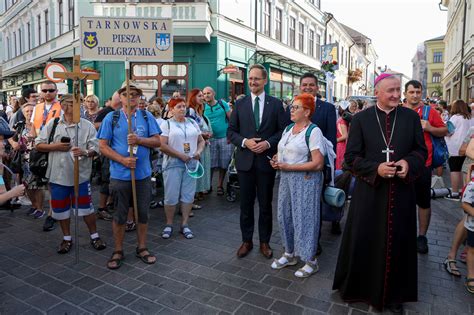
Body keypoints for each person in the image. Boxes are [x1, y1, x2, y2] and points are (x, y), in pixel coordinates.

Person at [333, 74, 427, 312]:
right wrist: (376, 168)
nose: (396, 95)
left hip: (401, 193)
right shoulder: (362, 119)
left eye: (398, 90)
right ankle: (360, 289)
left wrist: (407, 163)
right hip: (370, 193)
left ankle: (395, 296)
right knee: (366, 239)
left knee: (399, 242)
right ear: (377, 93)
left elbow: (420, 151)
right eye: (391, 91)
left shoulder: (410, 118)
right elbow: (351, 158)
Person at [97, 82, 161, 270]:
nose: (131, 97)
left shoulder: (146, 116)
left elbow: (157, 141)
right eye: (127, 94)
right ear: (121, 98)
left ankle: (142, 247)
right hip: (119, 175)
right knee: (120, 215)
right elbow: (102, 146)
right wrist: (122, 160)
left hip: (142, 175)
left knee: (143, 213)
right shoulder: (112, 117)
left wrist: (139, 140)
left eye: (135, 94)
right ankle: (118, 249)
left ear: (140, 97)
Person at [227, 64, 287, 259]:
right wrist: (245, 142)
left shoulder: (276, 104)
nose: (252, 82)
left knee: (265, 205)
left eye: (257, 79)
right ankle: (246, 241)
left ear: (265, 81)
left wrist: (269, 143)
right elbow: (231, 132)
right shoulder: (240, 104)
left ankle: (264, 242)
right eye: (250, 79)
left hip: (265, 163)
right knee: (245, 205)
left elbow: (283, 132)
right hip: (245, 163)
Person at [270, 93, 332, 277]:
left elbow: (318, 163)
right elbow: (284, 151)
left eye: (296, 107)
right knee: (284, 216)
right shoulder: (288, 128)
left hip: (305, 180)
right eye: (292, 106)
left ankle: (310, 260)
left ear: (307, 111)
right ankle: (290, 253)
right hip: (286, 178)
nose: (292, 109)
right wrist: (276, 159)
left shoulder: (313, 131)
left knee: (304, 218)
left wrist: (289, 166)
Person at [35, 94, 106, 254]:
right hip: (57, 176)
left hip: (80, 176)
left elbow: (96, 149)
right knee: (60, 210)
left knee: (87, 209)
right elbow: (38, 144)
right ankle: (66, 238)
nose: (72, 108)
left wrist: (85, 152)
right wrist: (56, 146)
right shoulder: (53, 124)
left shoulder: (87, 126)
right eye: (68, 104)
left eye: (75, 104)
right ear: (62, 105)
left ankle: (94, 235)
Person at [403, 80, 448, 254]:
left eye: (418, 92)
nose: (415, 95)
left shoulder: (430, 111)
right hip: (403, 165)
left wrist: (429, 127)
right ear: (405, 94)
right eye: (411, 92)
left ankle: (422, 236)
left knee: (423, 202)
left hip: (424, 164)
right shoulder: (399, 111)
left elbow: (444, 130)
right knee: (403, 202)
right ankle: (404, 234)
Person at [298, 72, 338, 239]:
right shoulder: (294, 107)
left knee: (315, 203)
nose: (308, 87)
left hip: (317, 164)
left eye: (311, 84)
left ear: (317, 87)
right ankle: (301, 234)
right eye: (304, 84)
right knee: (300, 202)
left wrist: (327, 165)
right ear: (300, 87)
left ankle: (315, 238)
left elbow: (330, 140)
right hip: (297, 164)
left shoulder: (327, 108)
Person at [159, 97, 205, 239]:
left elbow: (201, 141)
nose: (182, 109)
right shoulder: (166, 124)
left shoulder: (192, 122)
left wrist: (198, 152)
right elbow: (162, 145)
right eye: (178, 106)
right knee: (171, 196)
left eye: (184, 106)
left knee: (188, 195)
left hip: (191, 163)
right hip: (173, 163)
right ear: (171, 110)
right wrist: (179, 155)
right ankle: (169, 224)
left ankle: (184, 224)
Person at [31, 81, 62, 232]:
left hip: (55, 149)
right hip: (39, 149)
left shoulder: (62, 107)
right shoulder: (37, 108)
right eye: (45, 90)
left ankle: (52, 214)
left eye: (51, 90)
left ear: (56, 92)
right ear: (41, 93)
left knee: (53, 182)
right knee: (41, 182)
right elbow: (32, 128)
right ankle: (48, 209)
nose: (48, 93)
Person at [8, 103, 44, 218]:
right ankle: (33, 206)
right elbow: (9, 135)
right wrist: (13, 143)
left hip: (37, 159)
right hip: (23, 160)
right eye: (27, 111)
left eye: (31, 111)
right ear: (23, 113)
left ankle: (40, 208)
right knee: (27, 185)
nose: (29, 113)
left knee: (37, 185)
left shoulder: (40, 125)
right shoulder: (20, 125)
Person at [203, 86, 233, 196]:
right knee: (210, 163)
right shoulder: (202, 106)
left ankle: (220, 185)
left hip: (225, 138)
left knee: (223, 163)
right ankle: (208, 185)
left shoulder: (222, 103)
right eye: (204, 93)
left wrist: (231, 135)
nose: (206, 95)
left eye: (208, 93)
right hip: (209, 140)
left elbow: (232, 120)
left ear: (214, 93)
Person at [444, 100, 473, 200]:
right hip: (467, 147)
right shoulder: (470, 117)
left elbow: (448, 131)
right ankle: (462, 191)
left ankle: (455, 193)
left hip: (455, 147)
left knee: (454, 170)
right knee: (462, 170)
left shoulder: (455, 118)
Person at [187, 89, 212, 201]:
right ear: (193, 98)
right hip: (195, 146)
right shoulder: (191, 111)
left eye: (202, 96)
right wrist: (203, 134)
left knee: (201, 168)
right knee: (195, 169)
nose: (202, 98)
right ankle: (191, 197)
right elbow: (190, 128)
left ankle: (196, 193)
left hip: (202, 144)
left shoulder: (199, 112)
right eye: (199, 96)